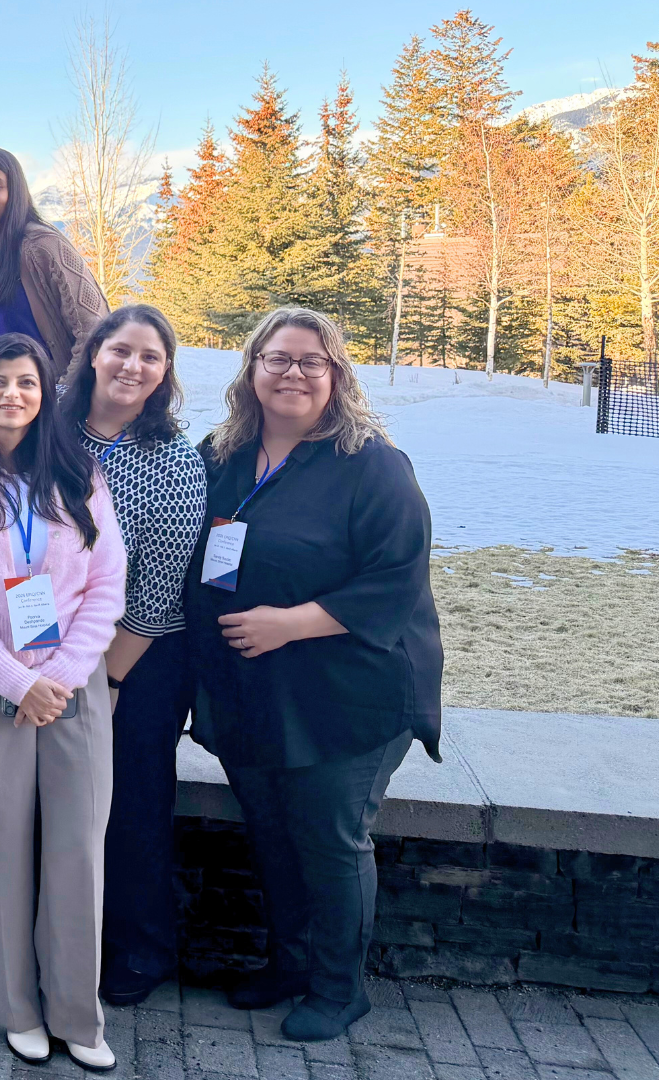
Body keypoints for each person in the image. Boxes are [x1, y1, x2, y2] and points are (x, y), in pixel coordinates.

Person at [184, 307, 442, 1042]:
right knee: (271, 833)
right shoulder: (222, 456)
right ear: (252, 369)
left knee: (330, 840)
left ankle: (339, 988)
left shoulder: (373, 464)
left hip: (348, 691)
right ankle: (289, 964)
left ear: (336, 375)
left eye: (311, 361)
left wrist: (289, 622)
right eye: (278, 358)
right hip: (254, 691)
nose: (293, 373)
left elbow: (397, 579)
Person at [0, 333, 126, 1070]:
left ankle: (78, 1013)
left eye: (27, 383)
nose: (13, 394)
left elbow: (107, 587)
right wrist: (15, 680)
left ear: (46, 395)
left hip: (74, 683)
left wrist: (61, 676)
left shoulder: (78, 472)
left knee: (76, 852)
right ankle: (15, 1006)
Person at [56, 304, 207, 1005]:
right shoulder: (45, 438)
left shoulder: (174, 461)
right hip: (47, 650)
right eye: (120, 350)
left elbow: (160, 587)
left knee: (130, 805)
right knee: (57, 806)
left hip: (137, 661)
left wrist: (107, 679)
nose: (131, 366)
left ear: (165, 374)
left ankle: (141, 949)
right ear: (93, 353)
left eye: (150, 357)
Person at [0, 148, 109, 369]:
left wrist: (62, 393)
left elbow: (95, 330)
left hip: (49, 393)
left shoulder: (42, 246)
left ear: (15, 191)